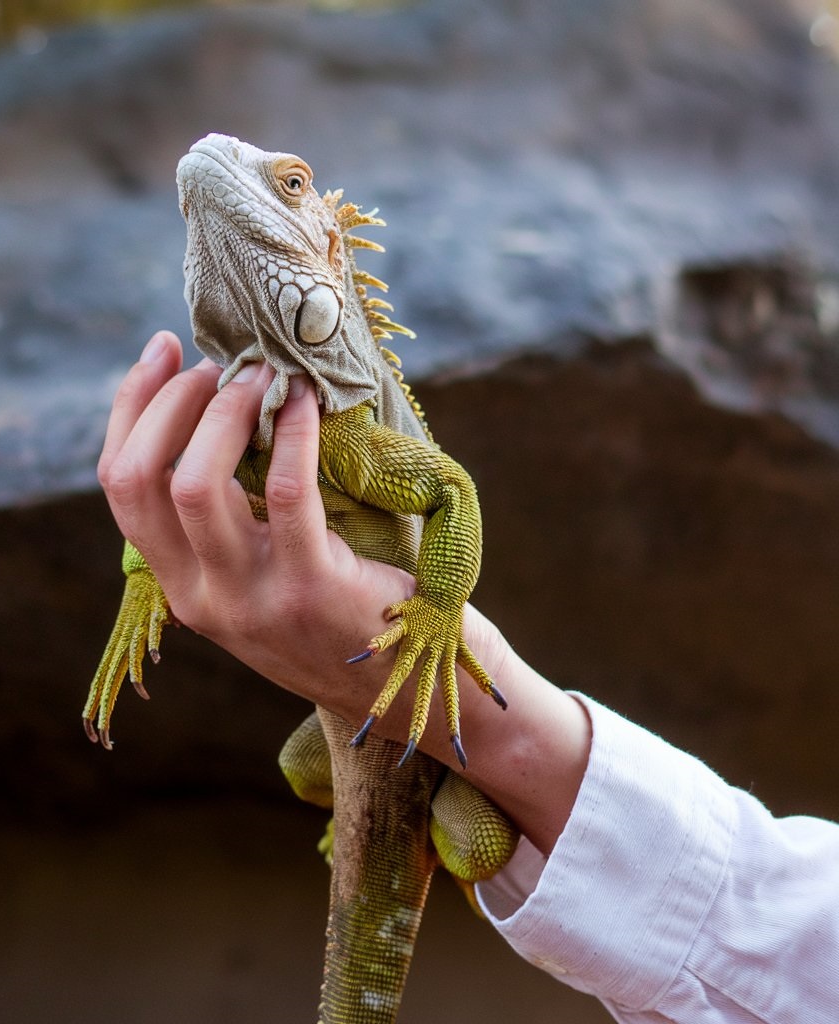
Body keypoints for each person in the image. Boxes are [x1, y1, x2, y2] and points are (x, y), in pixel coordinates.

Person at [98, 329, 839, 1023]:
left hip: (443, 766)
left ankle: (417, 813)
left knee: (474, 846)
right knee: (298, 766)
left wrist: (456, 673)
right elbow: (188, 502)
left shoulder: (351, 431)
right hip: (358, 738)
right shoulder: (259, 421)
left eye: (291, 182)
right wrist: (141, 575)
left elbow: (452, 490)